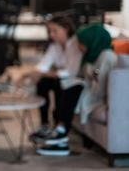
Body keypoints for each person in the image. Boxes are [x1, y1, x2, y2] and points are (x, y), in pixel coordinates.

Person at [36, 23, 117, 156]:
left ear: (93, 41)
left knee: (73, 87)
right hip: (91, 91)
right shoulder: (92, 56)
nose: (79, 46)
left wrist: (83, 84)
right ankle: (59, 133)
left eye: (82, 43)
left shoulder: (107, 57)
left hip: (98, 95)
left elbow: (101, 87)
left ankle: (60, 132)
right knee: (65, 84)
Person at [18, 14, 82, 144]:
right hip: (60, 80)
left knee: (52, 80)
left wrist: (44, 73)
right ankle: (45, 124)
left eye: (54, 31)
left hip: (74, 82)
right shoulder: (55, 47)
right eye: (49, 31)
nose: (51, 35)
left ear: (66, 29)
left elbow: (70, 72)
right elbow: (43, 66)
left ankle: (60, 127)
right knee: (42, 81)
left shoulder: (76, 45)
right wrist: (28, 74)